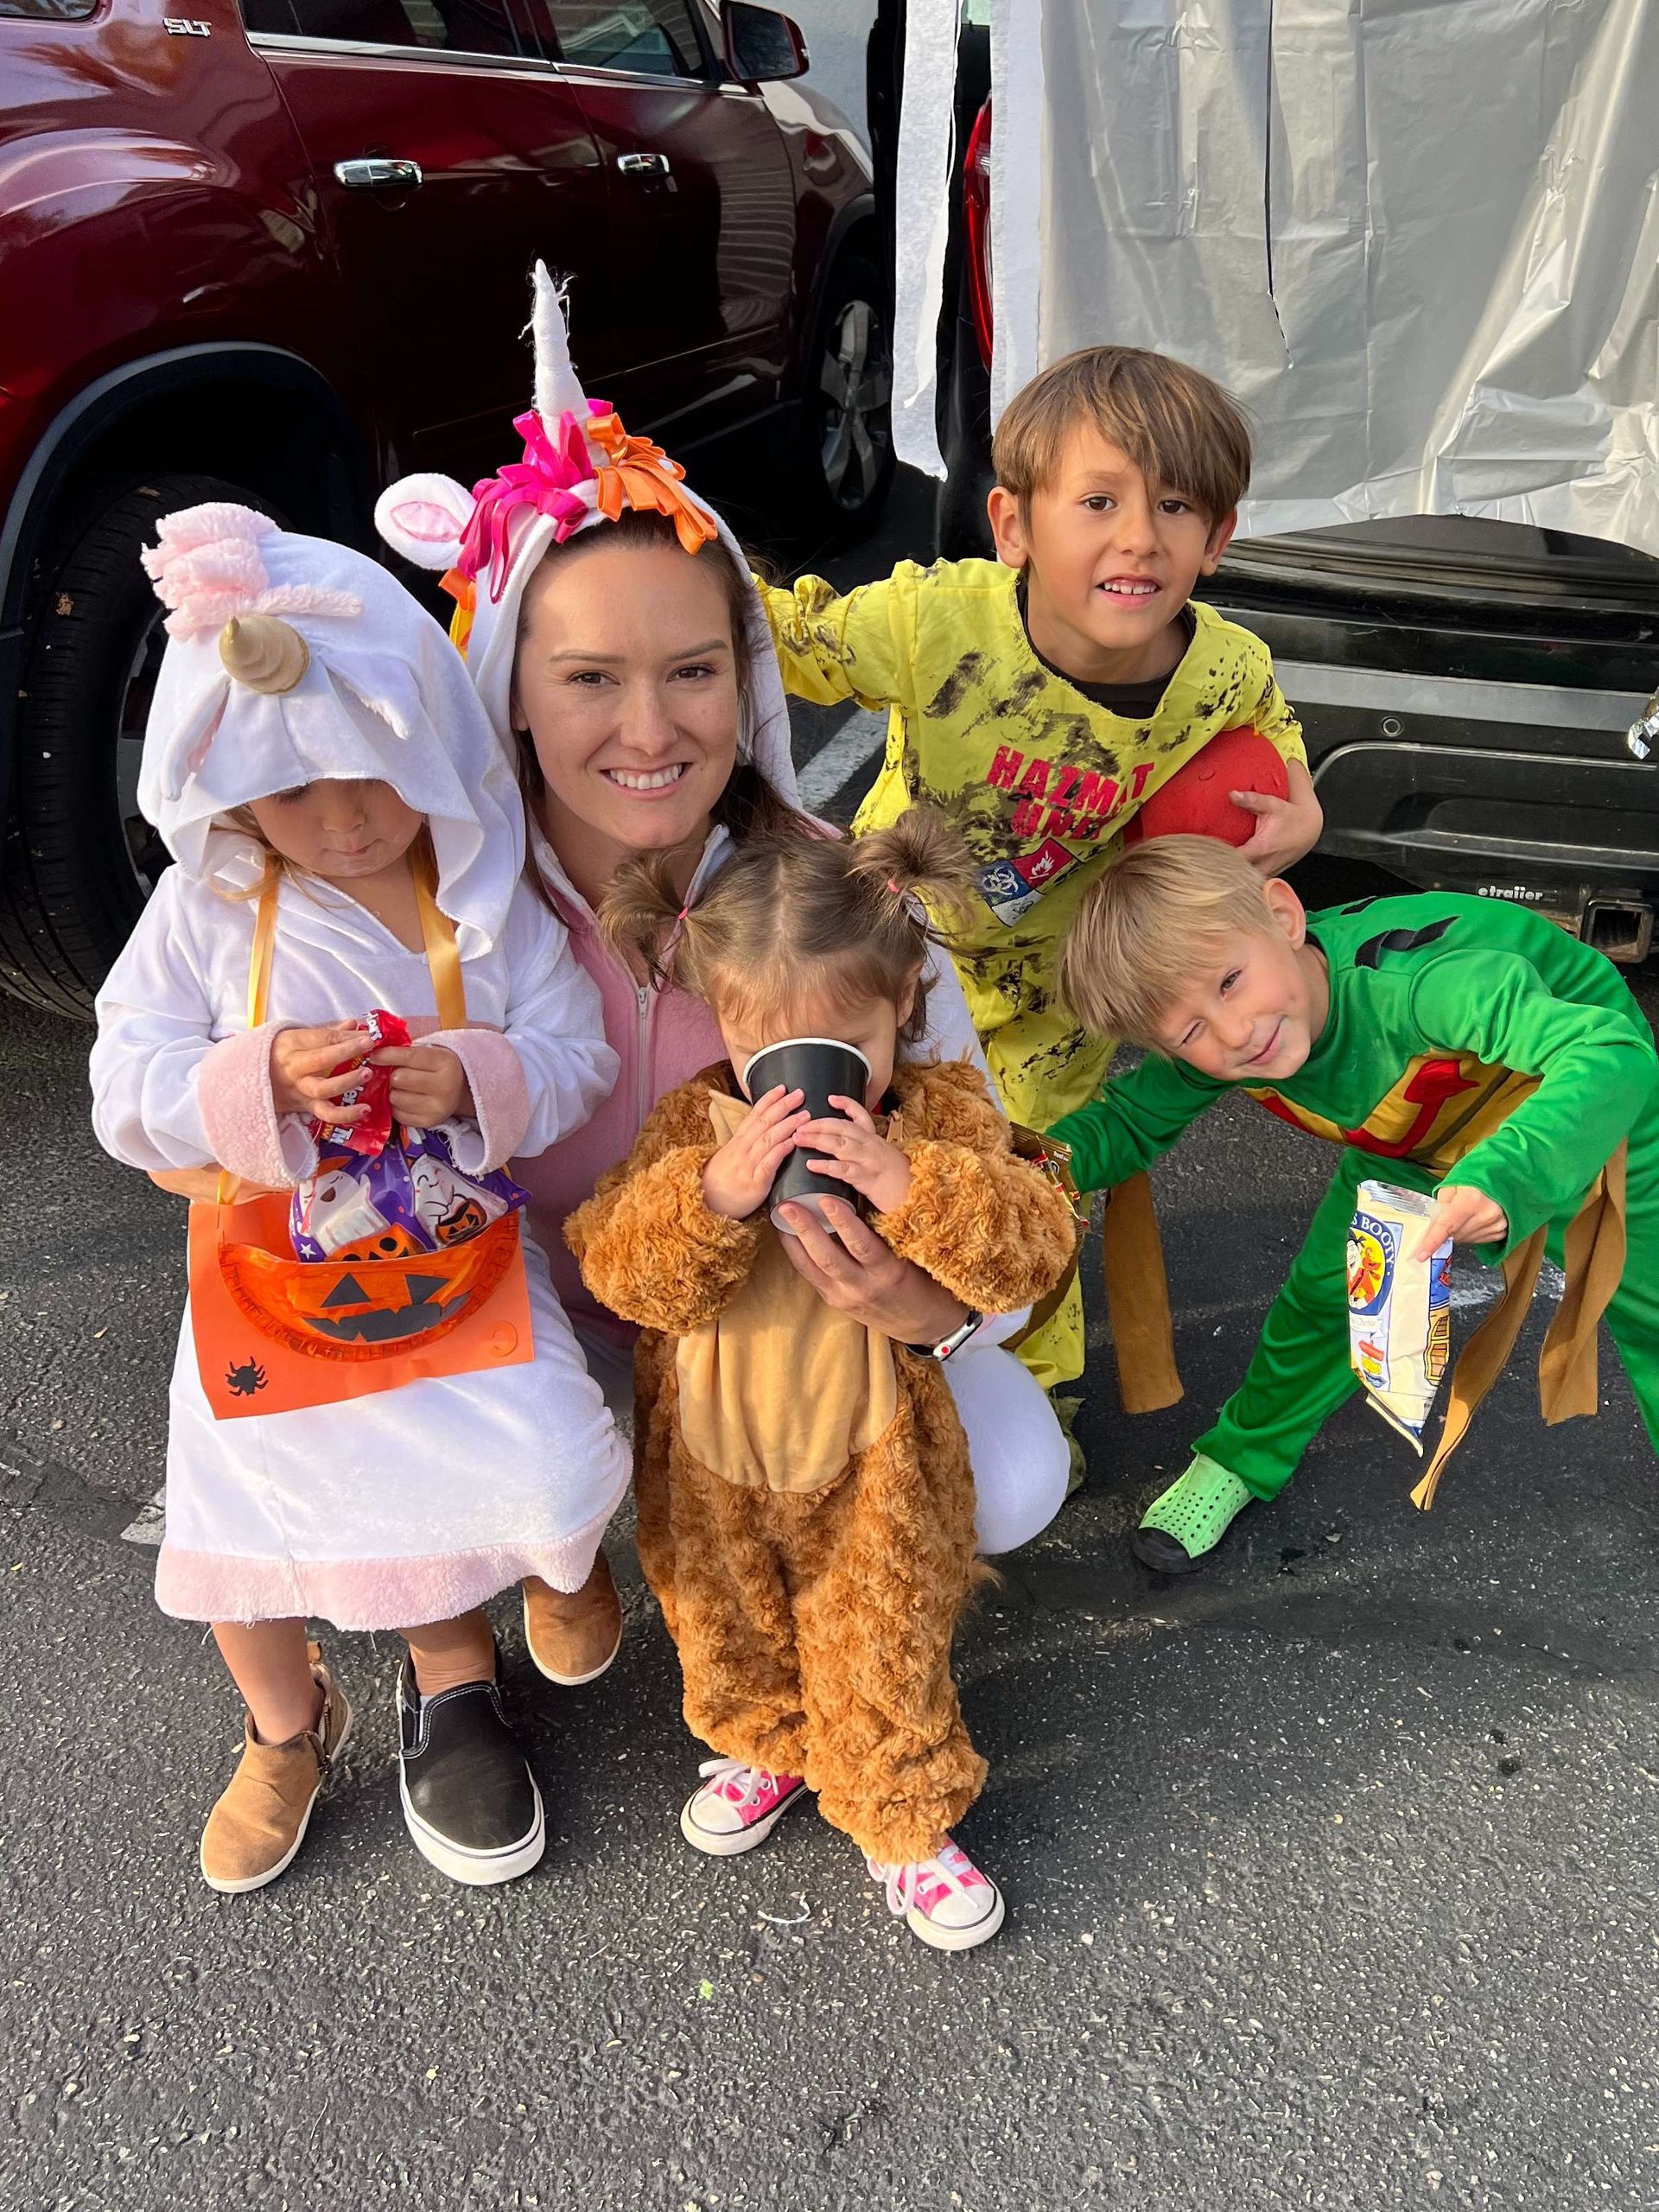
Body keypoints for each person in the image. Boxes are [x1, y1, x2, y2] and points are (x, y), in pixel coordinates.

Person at [374, 266, 1073, 1691]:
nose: (651, 729)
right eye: (588, 679)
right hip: (541, 1342)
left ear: (744, 673)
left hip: (778, 1336)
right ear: (509, 680)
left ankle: (849, 1634)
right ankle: (455, 1672)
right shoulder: (442, 904)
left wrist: (936, 1312)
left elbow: (994, 1156)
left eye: (692, 671)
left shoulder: (842, 900)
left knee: (1015, 1471)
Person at [90, 504, 631, 1892]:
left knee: (550, 1449)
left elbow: (574, 1054)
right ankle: (285, 1726)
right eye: (289, 793)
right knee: (244, 1521)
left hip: (460, 1265)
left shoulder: (487, 904)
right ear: (222, 789)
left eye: (372, 784)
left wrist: (479, 1079)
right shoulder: (207, 915)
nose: (338, 826)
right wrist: (254, 1077)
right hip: (273, 1278)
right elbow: (121, 1080)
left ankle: (515, 1608)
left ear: (435, 755)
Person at [752, 345, 1325, 1392]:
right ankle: (863, 1383)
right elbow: (784, 633)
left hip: (1057, 993)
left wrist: (1303, 791)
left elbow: (1266, 718)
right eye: (1099, 501)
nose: (1140, 538)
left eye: (1178, 508)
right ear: (1013, 525)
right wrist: (652, 539)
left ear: (1219, 541)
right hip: (894, 955)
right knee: (869, 1165)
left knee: (1031, 1191)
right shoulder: (938, 621)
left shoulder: (1224, 669)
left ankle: (1032, 1388)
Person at [565, 815, 1077, 1950]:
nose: (797, 1090)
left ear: (901, 1002)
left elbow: (1034, 1240)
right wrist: (707, 1194)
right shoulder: (696, 1123)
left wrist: (915, 1186)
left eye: (842, 1048)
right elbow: (615, 1261)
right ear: (726, 1028)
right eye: (767, 1060)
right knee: (721, 1620)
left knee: (879, 1631)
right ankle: (766, 1744)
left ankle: (899, 1815)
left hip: (874, 1455)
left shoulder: (938, 1114)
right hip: (714, 1455)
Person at [1046, 836, 1659, 1570]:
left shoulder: (1418, 988)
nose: (1234, 1032)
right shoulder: (1244, 1024)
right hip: (1418, 1125)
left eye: (1232, 982)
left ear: (1282, 916)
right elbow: (1122, 1123)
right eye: (1190, 1033)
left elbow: (1612, 1055)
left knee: (1648, 1305)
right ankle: (1240, 1460)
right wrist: (1015, 1171)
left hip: (1583, 1111)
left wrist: (1505, 1177)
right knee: (1331, 1293)